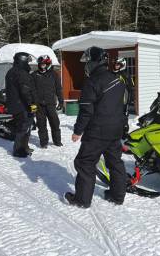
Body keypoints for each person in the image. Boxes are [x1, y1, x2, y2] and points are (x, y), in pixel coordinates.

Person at [65, 46, 128, 208]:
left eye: (87, 62)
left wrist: (78, 131)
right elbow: (124, 105)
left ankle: (82, 200)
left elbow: (86, 110)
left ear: (93, 62)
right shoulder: (118, 79)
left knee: (85, 162)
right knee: (115, 162)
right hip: (115, 130)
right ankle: (117, 196)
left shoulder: (92, 82)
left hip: (97, 132)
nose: (85, 66)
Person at [5, 52, 38, 158]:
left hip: (17, 104)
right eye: (27, 61)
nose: (29, 63)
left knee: (26, 128)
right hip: (22, 105)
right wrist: (31, 104)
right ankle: (18, 150)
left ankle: (24, 147)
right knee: (23, 128)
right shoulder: (21, 73)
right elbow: (25, 90)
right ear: (22, 60)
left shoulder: (11, 71)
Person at [32, 55, 64, 148]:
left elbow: (59, 89)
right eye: (41, 64)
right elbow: (31, 90)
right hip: (39, 105)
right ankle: (44, 142)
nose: (42, 66)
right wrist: (32, 104)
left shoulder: (54, 74)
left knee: (55, 123)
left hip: (51, 104)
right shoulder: (34, 75)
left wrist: (61, 102)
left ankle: (57, 141)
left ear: (48, 64)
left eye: (44, 64)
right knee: (41, 125)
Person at [112, 57, 135, 138]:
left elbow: (131, 88)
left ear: (123, 65)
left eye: (118, 64)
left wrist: (129, 100)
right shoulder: (114, 74)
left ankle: (124, 133)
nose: (116, 66)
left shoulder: (126, 75)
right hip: (114, 100)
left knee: (123, 118)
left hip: (124, 100)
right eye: (115, 64)